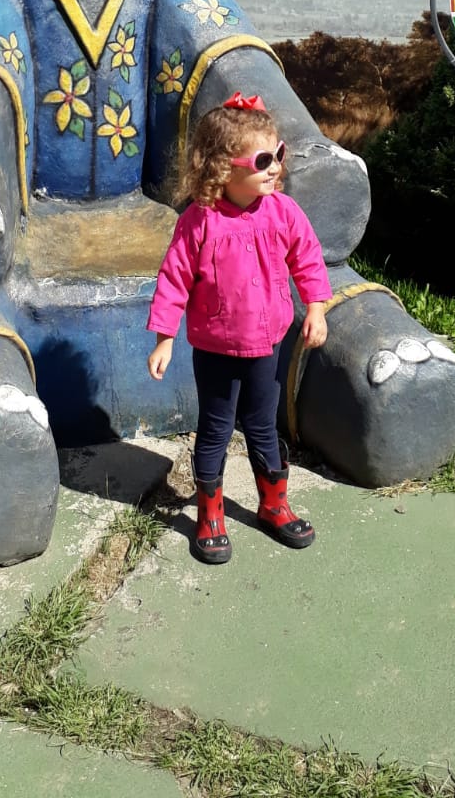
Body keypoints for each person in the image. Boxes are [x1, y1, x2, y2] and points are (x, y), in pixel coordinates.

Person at [146, 92, 333, 565]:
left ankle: (274, 504)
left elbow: (307, 258)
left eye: (279, 155)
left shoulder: (283, 212)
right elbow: (175, 277)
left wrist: (316, 308)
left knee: (263, 426)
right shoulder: (199, 221)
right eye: (263, 159)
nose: (275, 167)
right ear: (223, 168)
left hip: (266, 345)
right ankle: (210, 514)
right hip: (214, 348)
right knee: (214, 428)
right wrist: (165, 335)